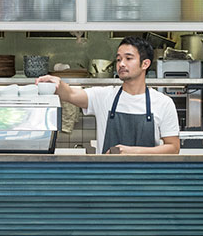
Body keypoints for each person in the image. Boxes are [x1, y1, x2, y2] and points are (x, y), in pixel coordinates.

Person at [35, 37, 180, 154]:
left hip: (147, 183)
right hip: (107, 182)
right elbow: (71, 93)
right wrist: (56, 83)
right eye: (118, 59)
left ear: (145, 64)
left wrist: (132, 152)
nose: (121, 64)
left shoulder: (163, 103)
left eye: (128, 58)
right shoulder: (103, 96)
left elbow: (173, 148)